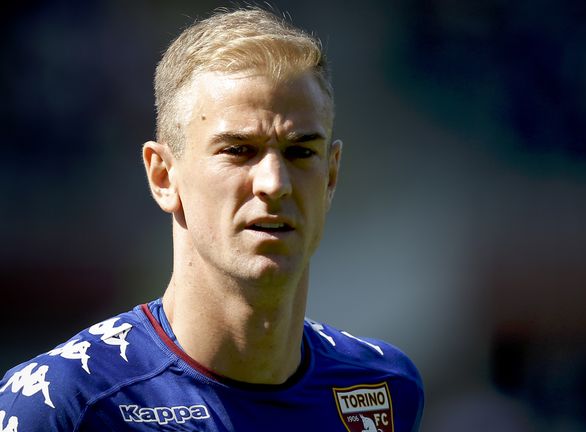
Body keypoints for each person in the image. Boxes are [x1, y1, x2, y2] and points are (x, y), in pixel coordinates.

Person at [0, 7, 424, 431]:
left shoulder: (385, 389)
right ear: (163, 176)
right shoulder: (62, 405)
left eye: (300, 152)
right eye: (239, 150)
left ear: (330, 176)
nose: (274, 184)